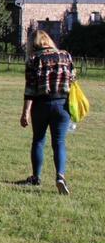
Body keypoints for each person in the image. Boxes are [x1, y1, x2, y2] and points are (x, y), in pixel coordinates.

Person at [20, 30, 76, 195]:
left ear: (33, 44)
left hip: (41, 105)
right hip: (62, 105)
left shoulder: (33, 60)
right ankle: (60, 176)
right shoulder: (66, 56)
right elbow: (73, 78)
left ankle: (36, 177)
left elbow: (30, 89)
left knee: (38, 140)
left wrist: (25, 113)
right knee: (59, 142)